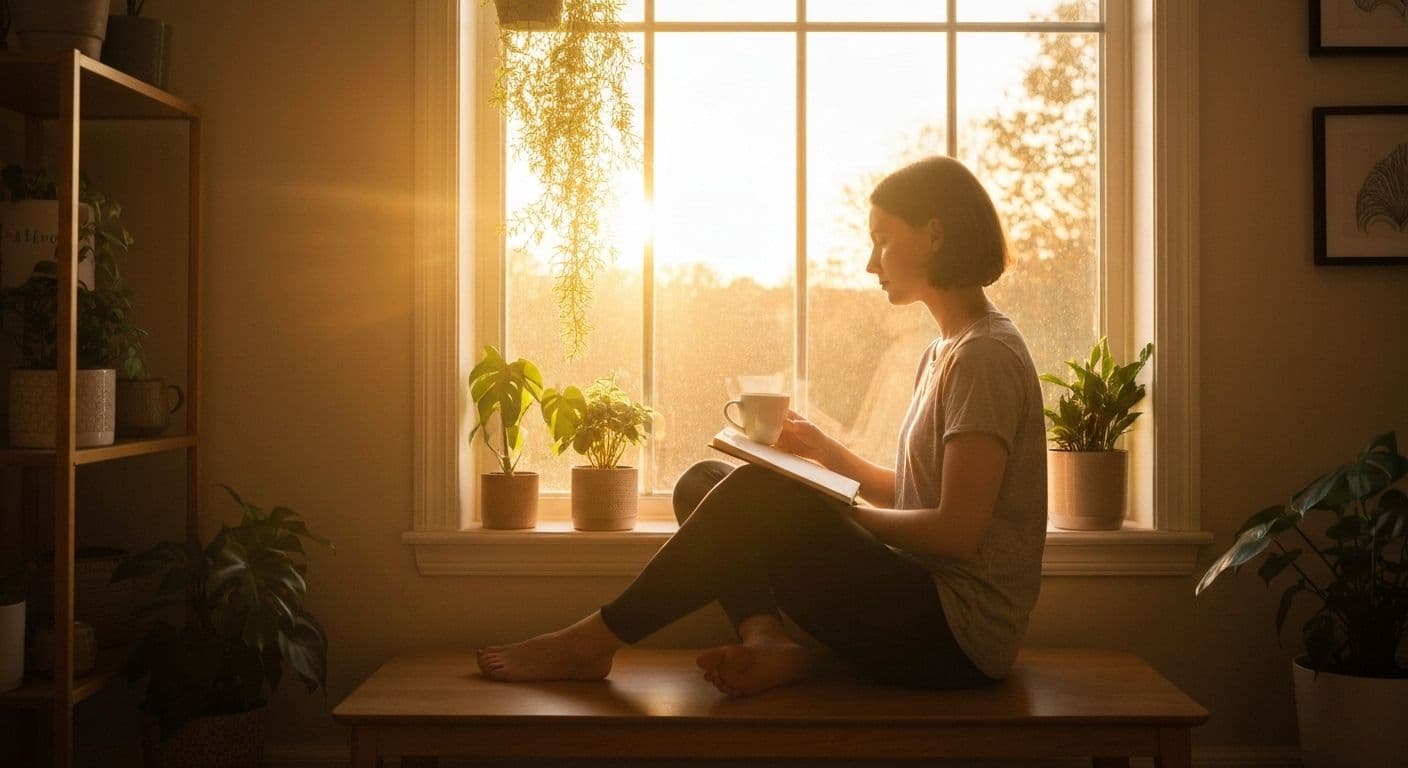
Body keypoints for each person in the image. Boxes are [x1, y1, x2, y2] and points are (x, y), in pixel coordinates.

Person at [476, 156, 1047, 696]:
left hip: (955, 640)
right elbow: (918, 492)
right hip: (915, 601)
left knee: (760, 494)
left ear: (935, 235)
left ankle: (592, 642)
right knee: (702, 479)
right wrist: (824, 453)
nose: (871, 262)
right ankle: (768, 641)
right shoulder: (945, 349)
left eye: (882, 239)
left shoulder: (984, 357)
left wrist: (829, 509)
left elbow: (956, 531)